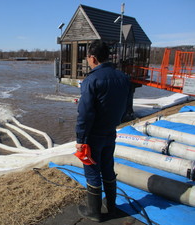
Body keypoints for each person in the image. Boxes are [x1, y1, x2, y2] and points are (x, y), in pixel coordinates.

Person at [75, 40, 130, 222]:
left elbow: (85, 113)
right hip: (110, 132)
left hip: (93, 135)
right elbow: (125, 107)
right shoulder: (122, 77)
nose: (88, 60)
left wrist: (80, 138)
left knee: (92, 171)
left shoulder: (92, 80)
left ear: (93, 58)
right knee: (107, 167)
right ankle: (112, 208)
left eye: (88, 57)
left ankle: (95, 213)